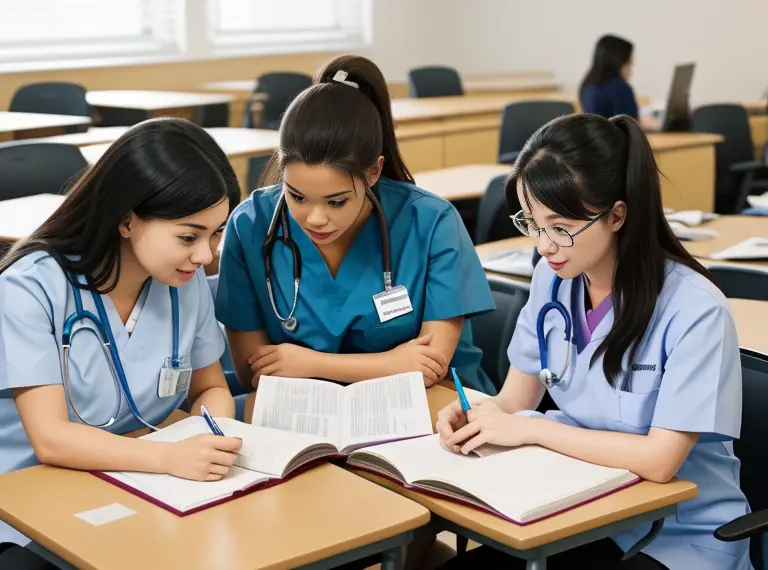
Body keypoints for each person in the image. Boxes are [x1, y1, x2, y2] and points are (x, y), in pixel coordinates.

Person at [436, 113, 750, 570]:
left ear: (617, 215)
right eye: (532, 223)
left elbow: (661, 461)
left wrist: (534, 427)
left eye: (560, 227)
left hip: (681, 534)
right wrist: (475, 415)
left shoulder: (696, 309)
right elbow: (514, 401)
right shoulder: (552, 279)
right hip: (583, 508)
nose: (544, 245)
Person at [0, 118, 243, 569]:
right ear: (127, 220)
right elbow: (51, 440)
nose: (206, 255)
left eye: (216, 233)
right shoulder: (29, 289)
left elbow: (210, 389)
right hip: (28, 496)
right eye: (189, 236)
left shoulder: (181, 281)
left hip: (136, 477)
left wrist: (216, 435)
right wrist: (169, 457)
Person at [215, 54, 496, 405]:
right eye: (297, 196)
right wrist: (392, 363)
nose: (315, 218)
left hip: (427, 405)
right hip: (301, 407)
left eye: (336, 201)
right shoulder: (251, 225)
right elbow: (253, 371)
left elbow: (429, 368)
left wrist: (309, 363)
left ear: (374, 172)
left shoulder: (431, 222)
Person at [580, 34, 639, 120]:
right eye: (628, 65)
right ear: (618, 63)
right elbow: (631, 125)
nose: (630, 72)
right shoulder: (620, 88)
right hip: (614, 133)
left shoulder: (587, 86)